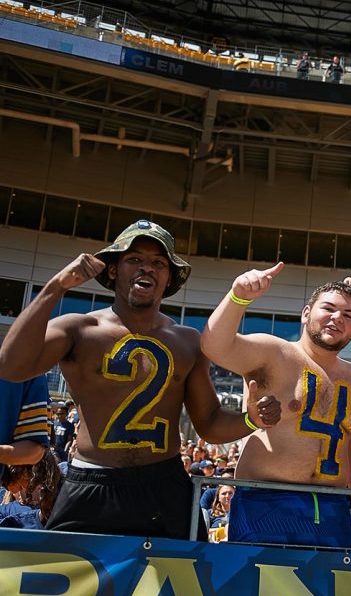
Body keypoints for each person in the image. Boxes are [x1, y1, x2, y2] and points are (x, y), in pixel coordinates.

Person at [0, 220, 280, 540]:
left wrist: (250, 419)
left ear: (169, 278)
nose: (147, 267)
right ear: (114, 269)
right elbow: (9, 367)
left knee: (188, 585)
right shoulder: (78, 328)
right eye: (135, 259)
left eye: (158, 262)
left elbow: (209, 423)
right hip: (92, 481)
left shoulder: (188, 341)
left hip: (166, 485)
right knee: (69, 583)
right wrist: (55, 287)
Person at [200, 264, 351, 549]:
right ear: (306, 314)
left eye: (348, 315)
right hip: (266, 502)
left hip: (331, 508)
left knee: (326, 592)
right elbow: (215, 346)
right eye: (328, 309)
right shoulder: (274, 352)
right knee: (257, 590)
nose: (337, 318)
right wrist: (238, 296)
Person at [0, 450, 62, 529]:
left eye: (30, 487)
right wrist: (40, 517)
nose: (22, 495)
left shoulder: (62, 504)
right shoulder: (4, 511)